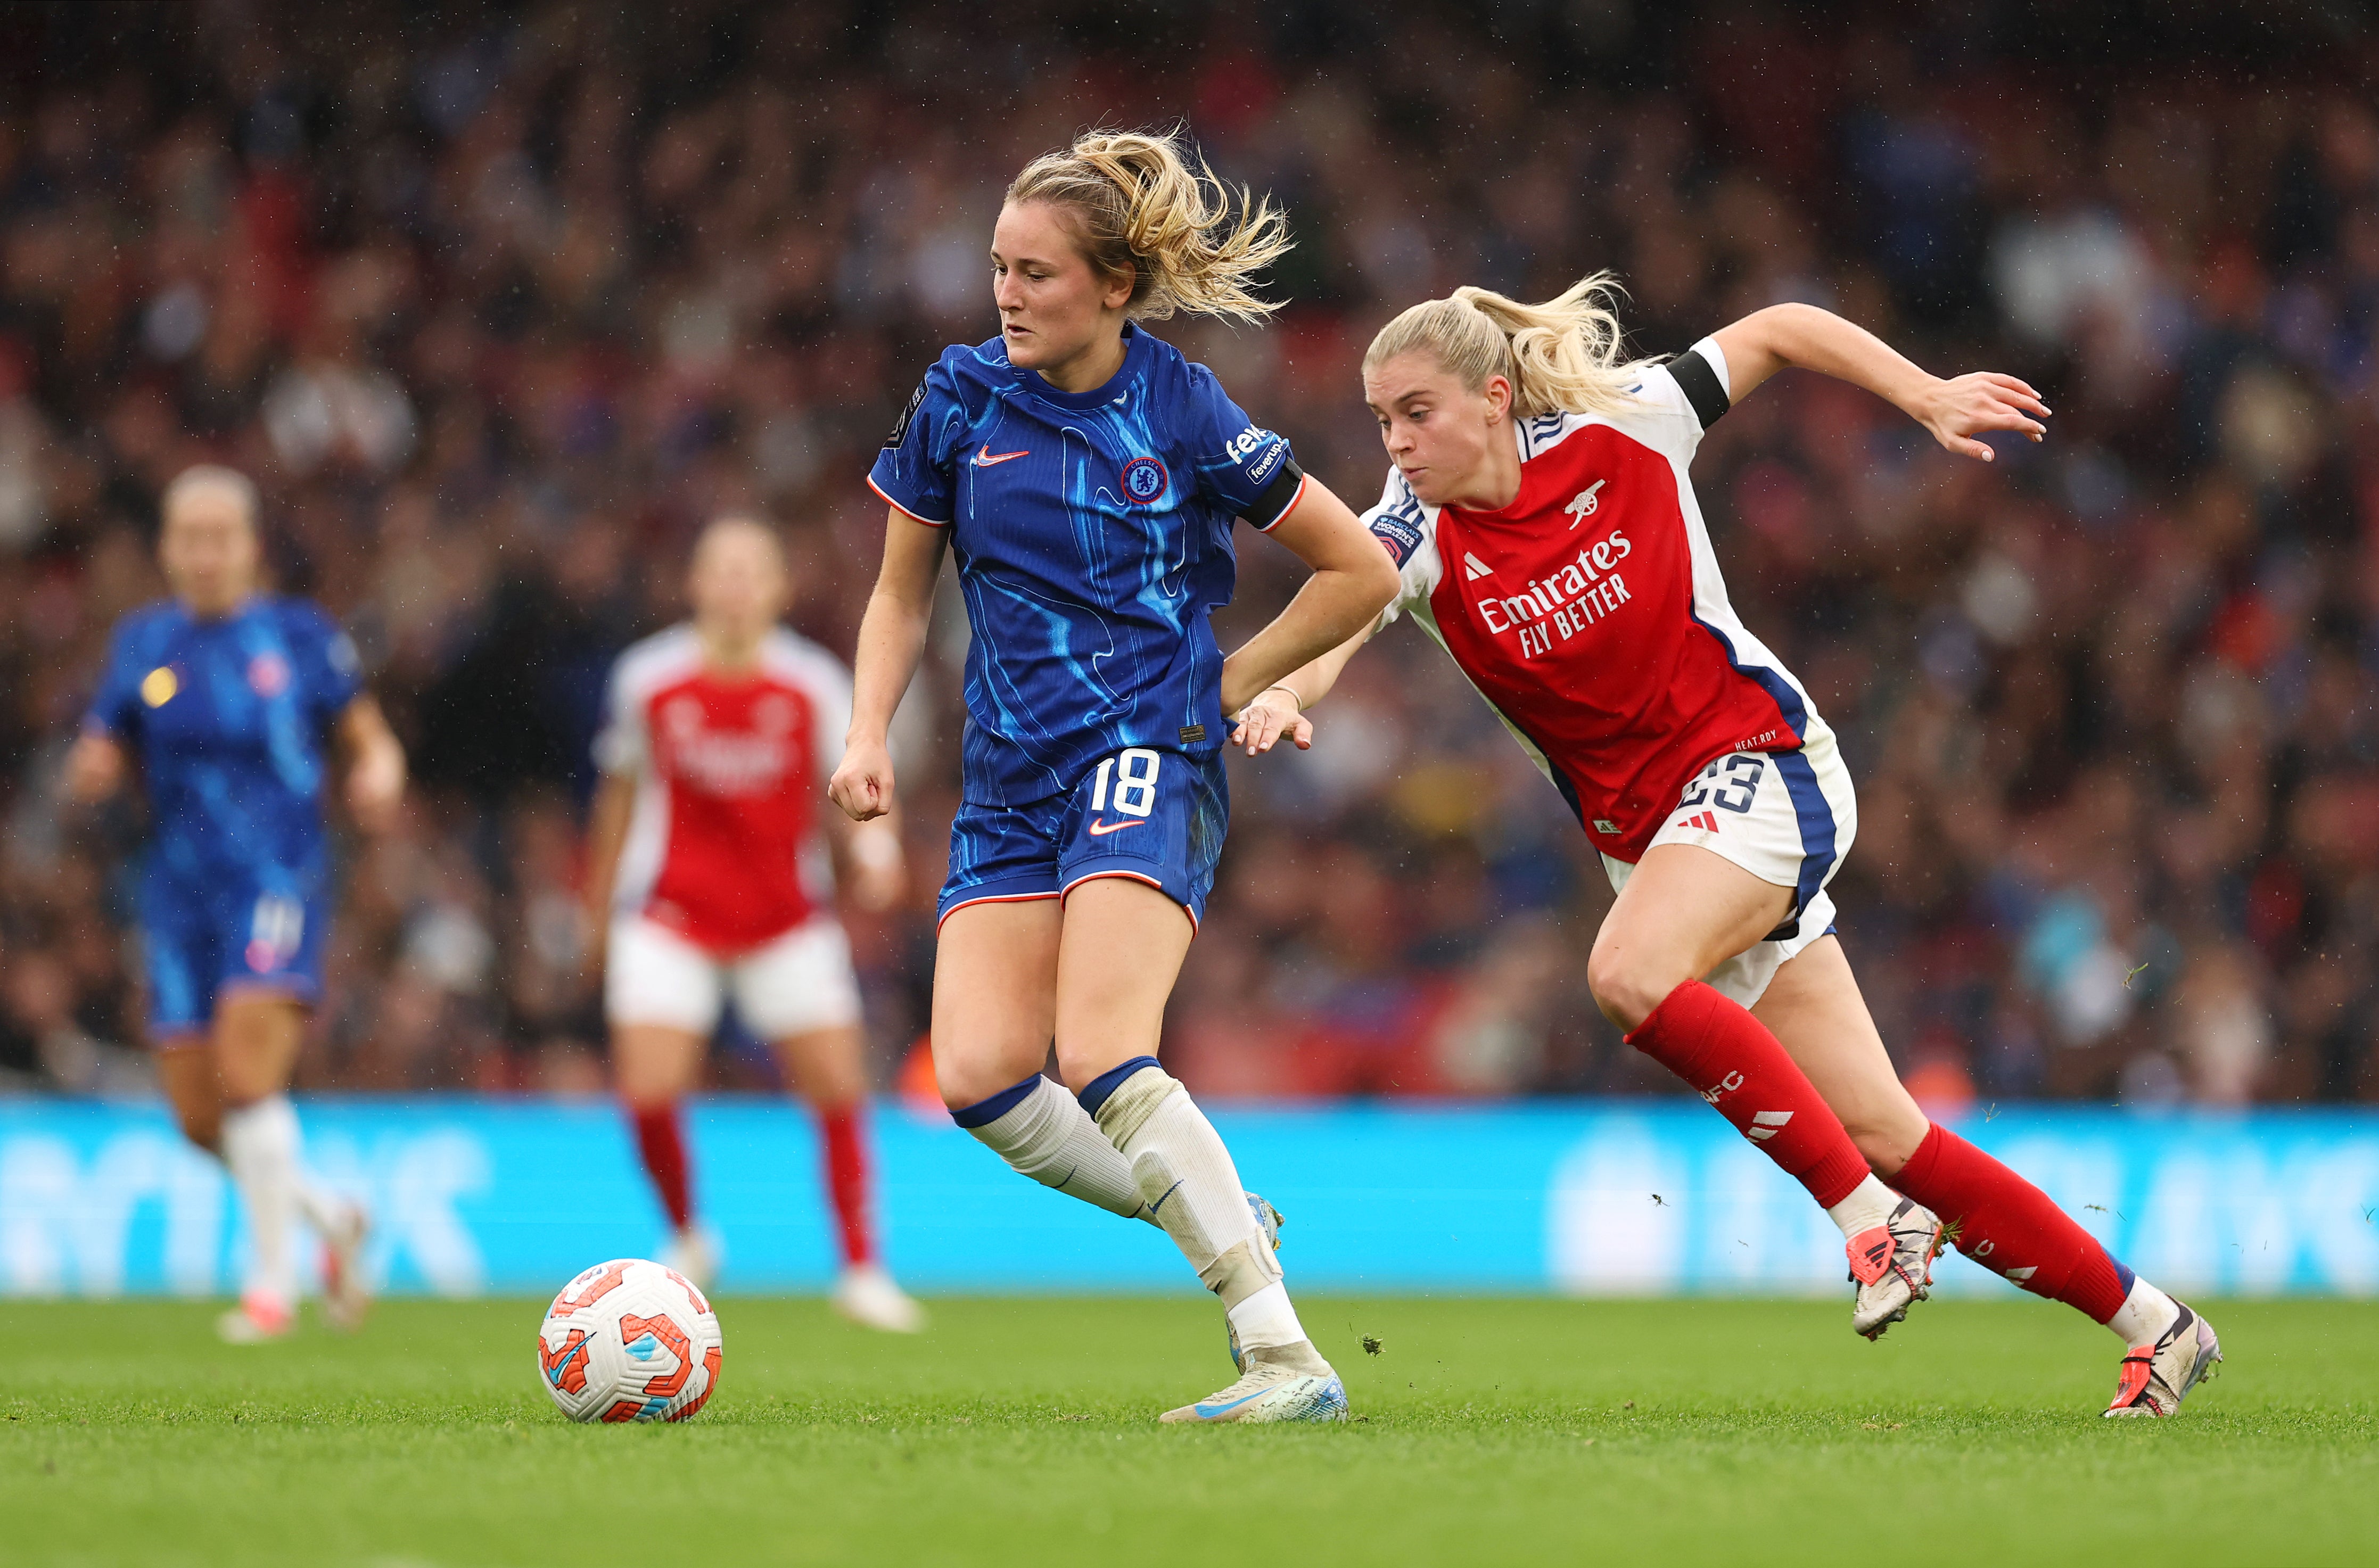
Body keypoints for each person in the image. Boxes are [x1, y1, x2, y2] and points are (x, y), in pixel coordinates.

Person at [1239, 280, 2219, 1419]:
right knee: (1887, 1131)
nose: (1398, 444)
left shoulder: (1627, 423)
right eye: (1381, 421)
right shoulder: (1410, 540)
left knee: (1625, 973)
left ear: (1496, 397)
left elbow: (1780, 327)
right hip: (1672, 845)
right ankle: (2157, 1323)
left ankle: (1865, 1224)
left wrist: (1924, 394)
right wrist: (1283, 692)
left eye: (1417, 412)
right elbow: (1337, 623)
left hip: (1768, 767)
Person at [835, 129, 1400, 1422]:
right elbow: (895, 591)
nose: (1007, 295)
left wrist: (1236, 680)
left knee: (1101, 1048)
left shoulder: (1182, 407)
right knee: (977, 1075)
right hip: (1007, 776)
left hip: (1146, 749)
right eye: (998, 269)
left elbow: (1358, 567)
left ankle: (1283, 1359)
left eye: (1036, 273)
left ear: (1116, 289)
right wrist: (869, 731)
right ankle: (1209, 1206)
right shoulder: (959, 400)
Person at [65, 464, 402, 1343]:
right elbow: (102, 739)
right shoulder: (143, 644)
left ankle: (270, 1289)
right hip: (176, 893)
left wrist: (377, 766)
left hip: (275, 880)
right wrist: (93, 767)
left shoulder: (297, 635)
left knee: (250, 1076)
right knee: (200, 1116)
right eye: (189, 536)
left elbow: (363, 729)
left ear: (250, 546)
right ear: (168, 548)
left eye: (222, 536)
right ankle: (332, 1217)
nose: (206, 552)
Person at [583, 516, 924, 1333]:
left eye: (751, 571)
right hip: (671, 913)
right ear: (695, 585)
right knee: (647, 1087)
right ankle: (689, 1233)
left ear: (779, 588)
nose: (735, 586)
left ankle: (860, 1268)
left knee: (839, 1090)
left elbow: (860, 781)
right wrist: (594, 909)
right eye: (720, 570)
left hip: (784, 916)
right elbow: (619, 796)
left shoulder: (811, 684)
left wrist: (876, 853)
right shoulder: (648, 679)